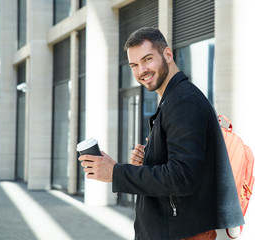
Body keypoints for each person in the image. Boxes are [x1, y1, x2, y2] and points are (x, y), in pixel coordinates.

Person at [78, 27, 244, 240]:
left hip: (180, 234)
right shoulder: (173, 99)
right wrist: (148, 161)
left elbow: (182, 177)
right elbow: (178, 168)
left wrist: (116, 173)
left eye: (147, 59)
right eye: (134, 65)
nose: (141, 70)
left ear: (167, 54)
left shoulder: (183, 101)